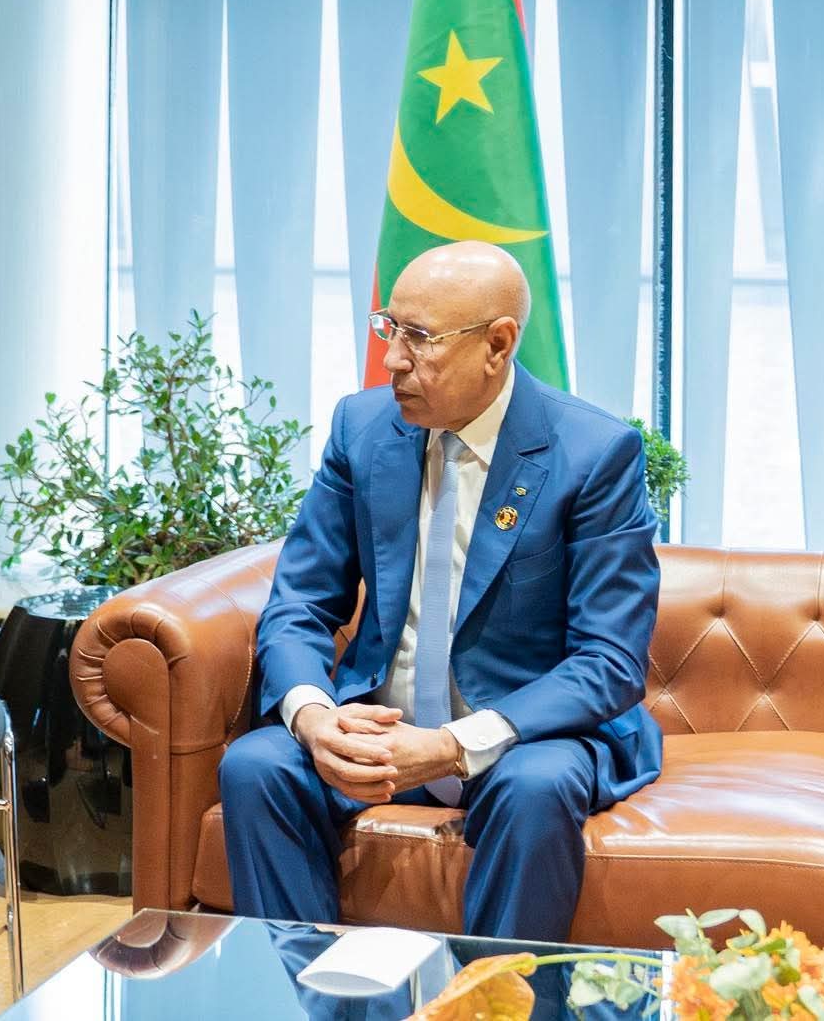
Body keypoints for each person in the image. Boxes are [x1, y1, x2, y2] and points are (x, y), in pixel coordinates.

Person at [219, 240, 662, 941]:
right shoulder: (362, 429)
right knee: (256, 764)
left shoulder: (593, 453)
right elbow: (300, 602)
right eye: (388, 328)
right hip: (378, 723)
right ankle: (311, 990)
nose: (393, 359)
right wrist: (314, 717)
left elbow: (609, 660)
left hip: (524, 735)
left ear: (497, 344)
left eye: (419, 338)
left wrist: (453, 745)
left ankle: (492, 995)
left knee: (535, 787)